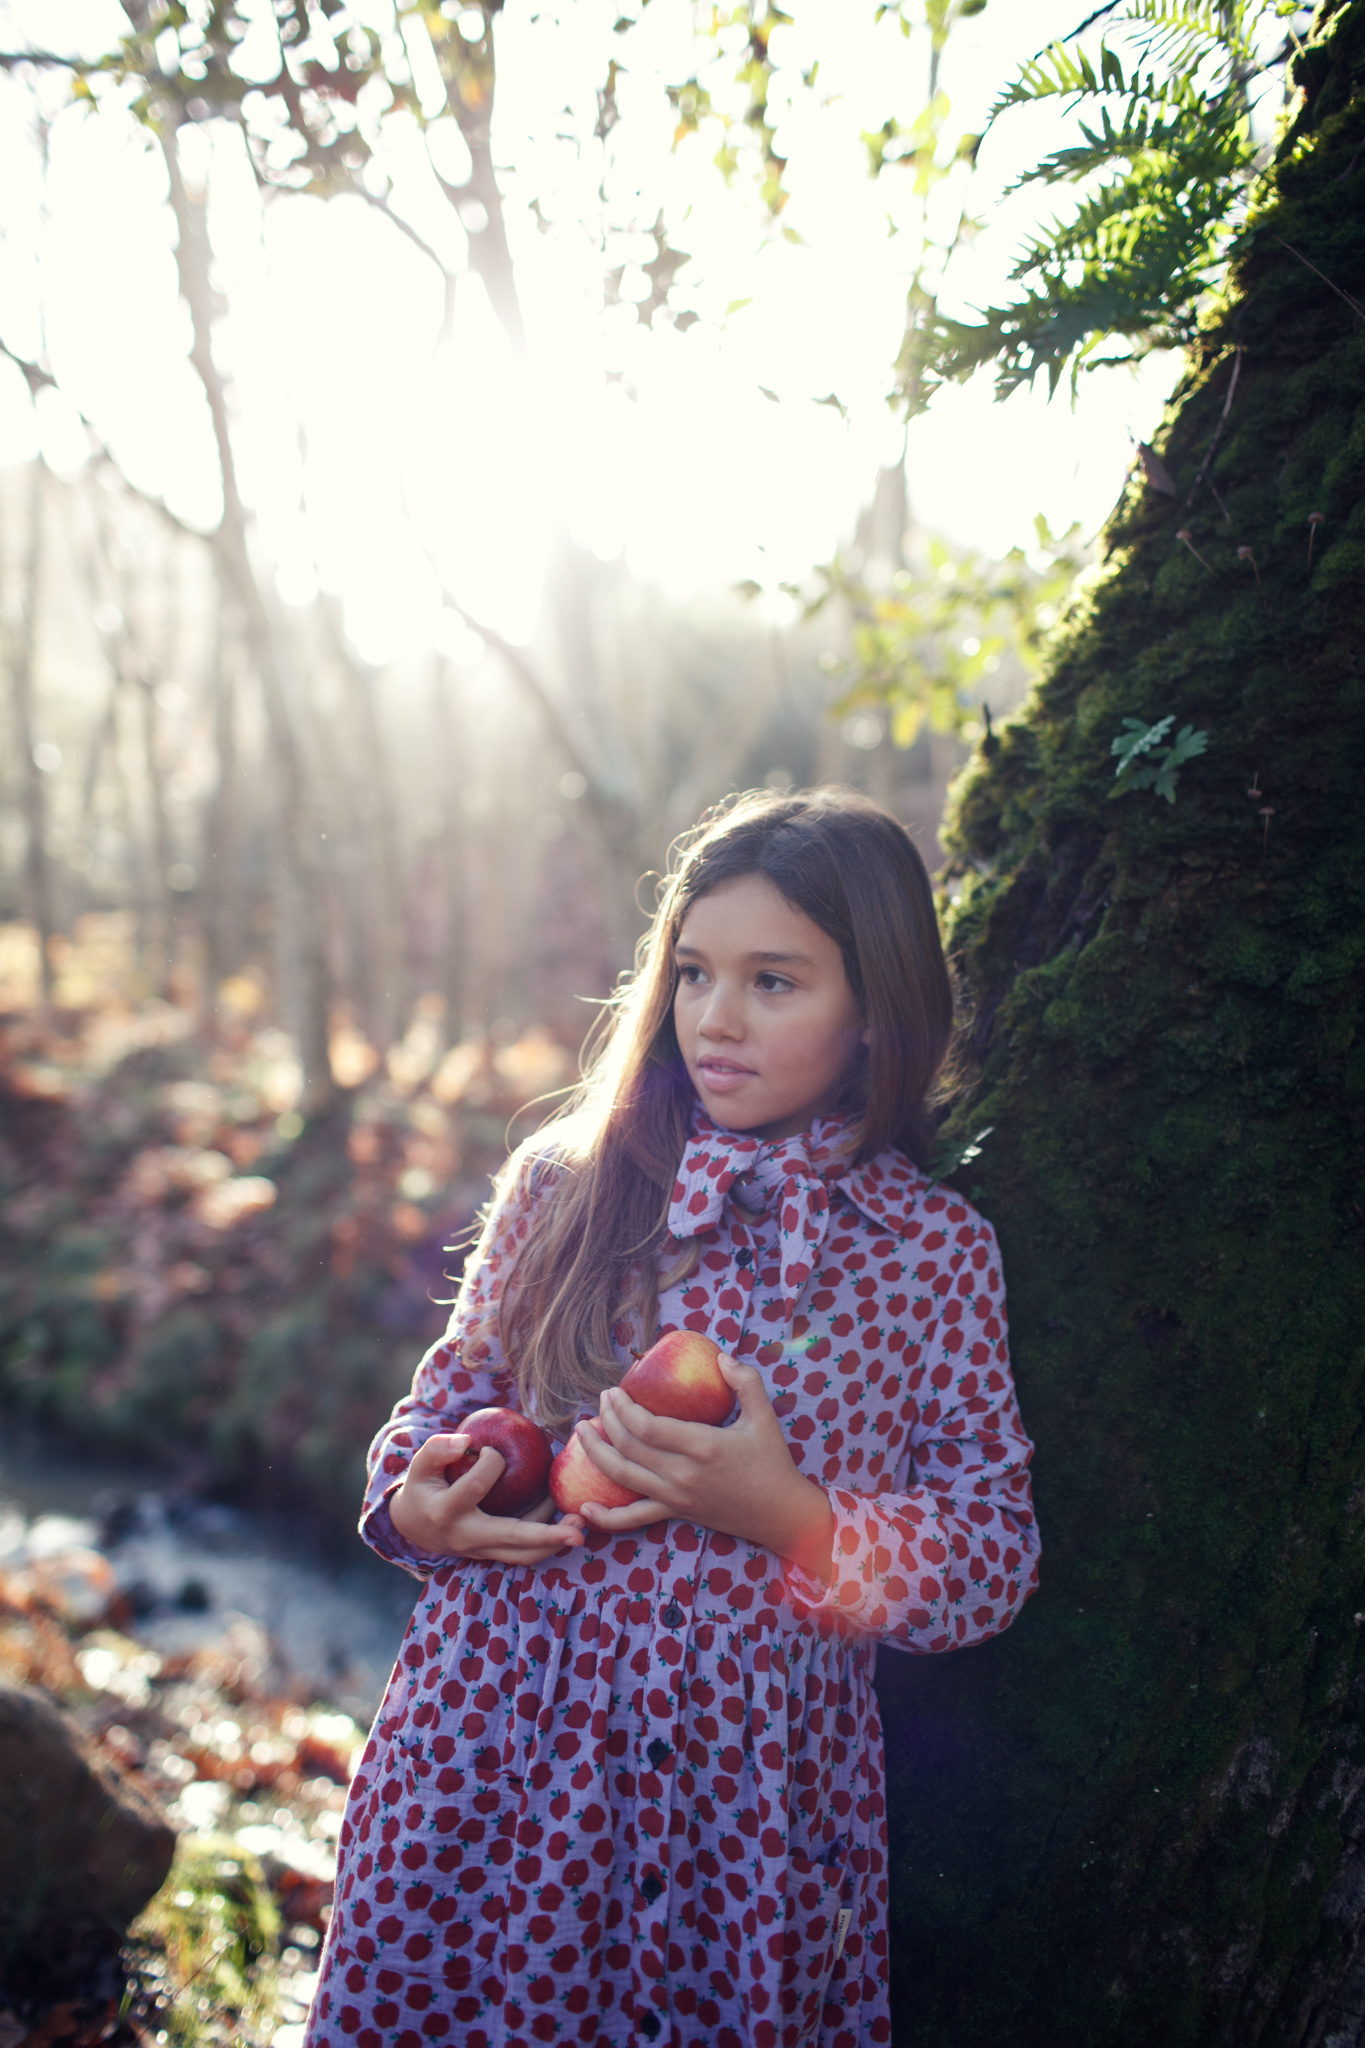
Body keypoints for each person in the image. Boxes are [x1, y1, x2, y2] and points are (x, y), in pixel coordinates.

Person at [305, 787, 1039, 2048]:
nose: (715, 1017)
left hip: (738, 1810)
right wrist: (418, 1500)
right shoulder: (567, 1187)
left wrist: (786, 1514)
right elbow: (449, 1398)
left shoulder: (931, 1253)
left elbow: (989, 1553)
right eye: (693, 972)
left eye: (774, 981)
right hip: (495, 1748)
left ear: (875, 1013)